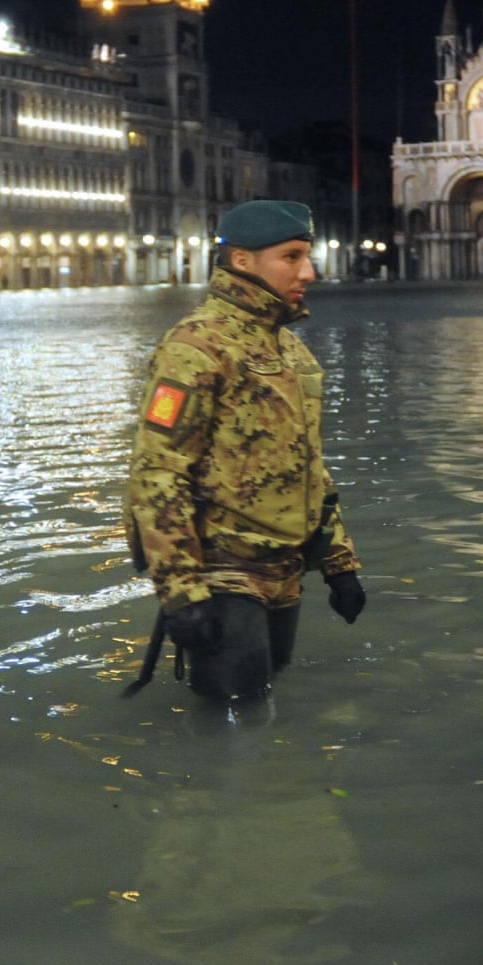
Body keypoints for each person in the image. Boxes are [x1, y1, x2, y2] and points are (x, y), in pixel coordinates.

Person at [123, 200, 365, 705]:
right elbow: (158, 471)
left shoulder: (290, 350)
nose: (309, 272)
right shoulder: (195, 347)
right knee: (235, 717)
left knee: (264, 702)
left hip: (285, 570)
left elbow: (307, 464)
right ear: (242, 261)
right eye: (292, 256)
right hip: (223, 571)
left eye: (307, 255)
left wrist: (339, 562)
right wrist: (182, 592)